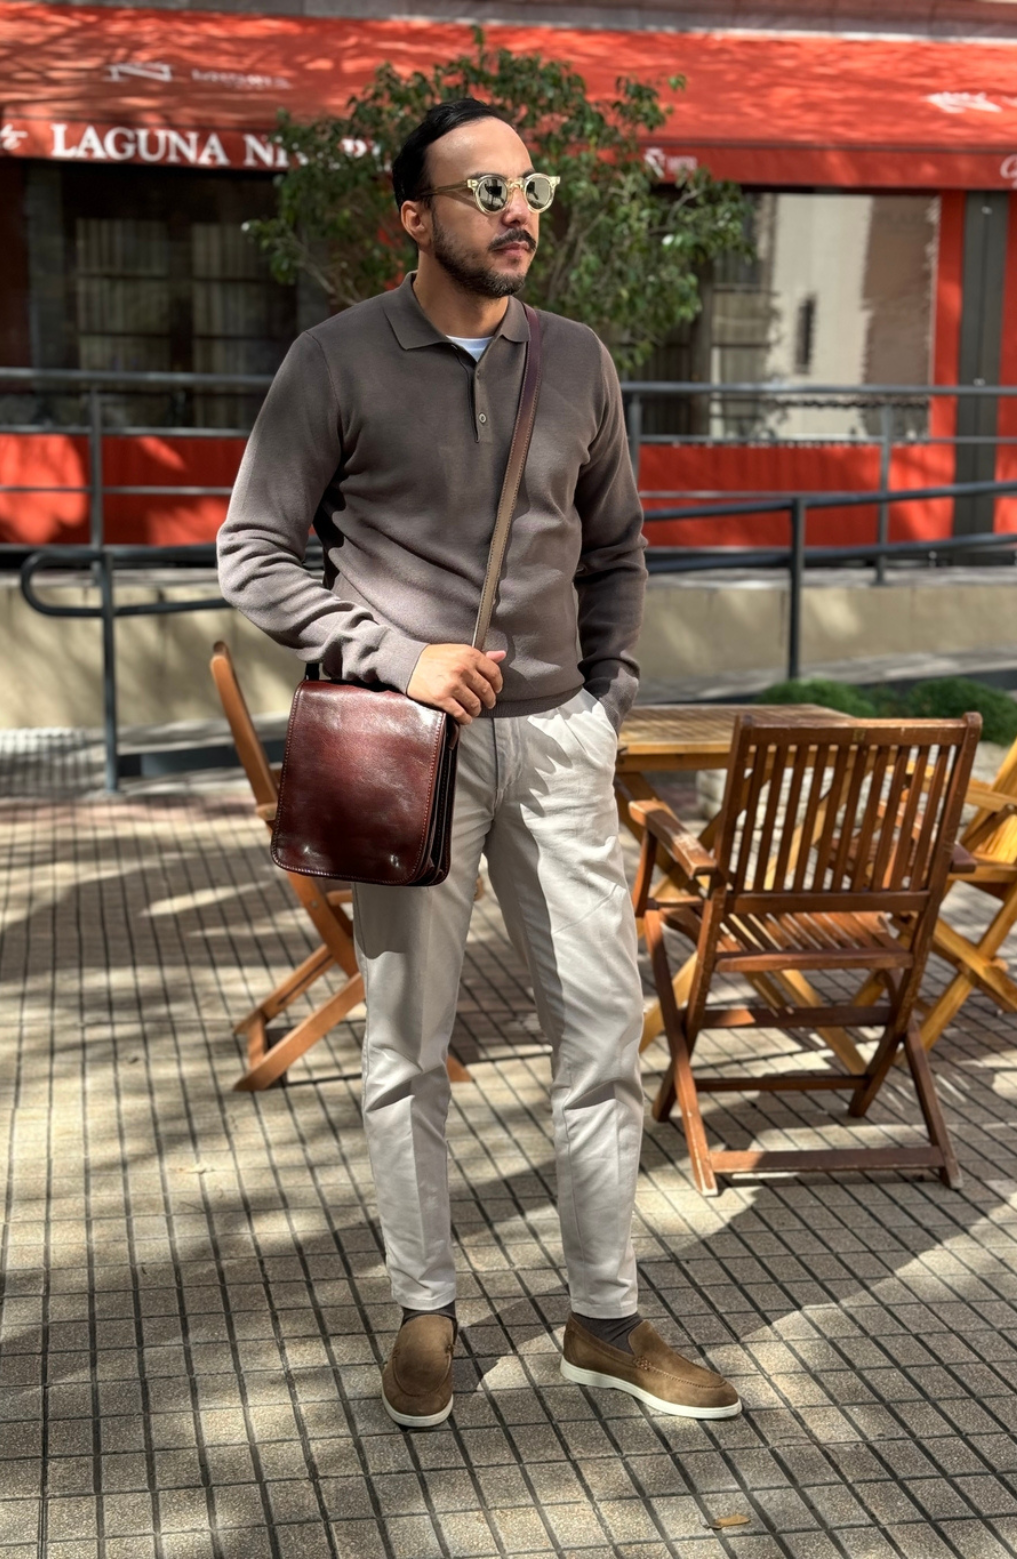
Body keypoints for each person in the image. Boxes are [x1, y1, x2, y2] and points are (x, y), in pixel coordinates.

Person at [217, 97, 740, 1429]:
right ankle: (425, 1308)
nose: (519, 212)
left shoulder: (578, 360)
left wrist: (606, 700)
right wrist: (397, 659)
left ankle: (604, 1318)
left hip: (560, 744)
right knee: (408, 1042)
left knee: (602, 1037)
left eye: (531, 187)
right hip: (410, 750)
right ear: (415, 216)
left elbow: (615, 549)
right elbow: (252, 552)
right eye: (485, 190)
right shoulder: (335, 360)